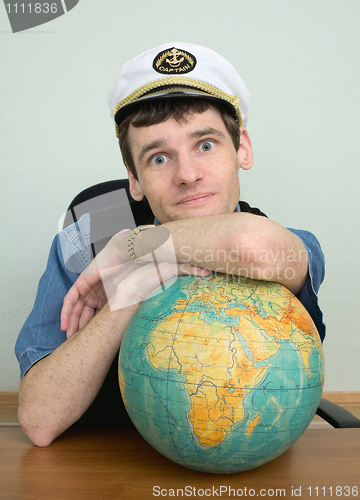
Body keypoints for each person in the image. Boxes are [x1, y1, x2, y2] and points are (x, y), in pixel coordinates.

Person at [15, 42, 325, 447]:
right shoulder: (87, 239)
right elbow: (40, 422)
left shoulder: (281, 242)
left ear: (242, 149)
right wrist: (126, 295)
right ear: (134, 179)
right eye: (158, 158)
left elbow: (252, 245)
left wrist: (134, 244)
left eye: (206, 145)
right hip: (112, 471)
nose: (187, 174)